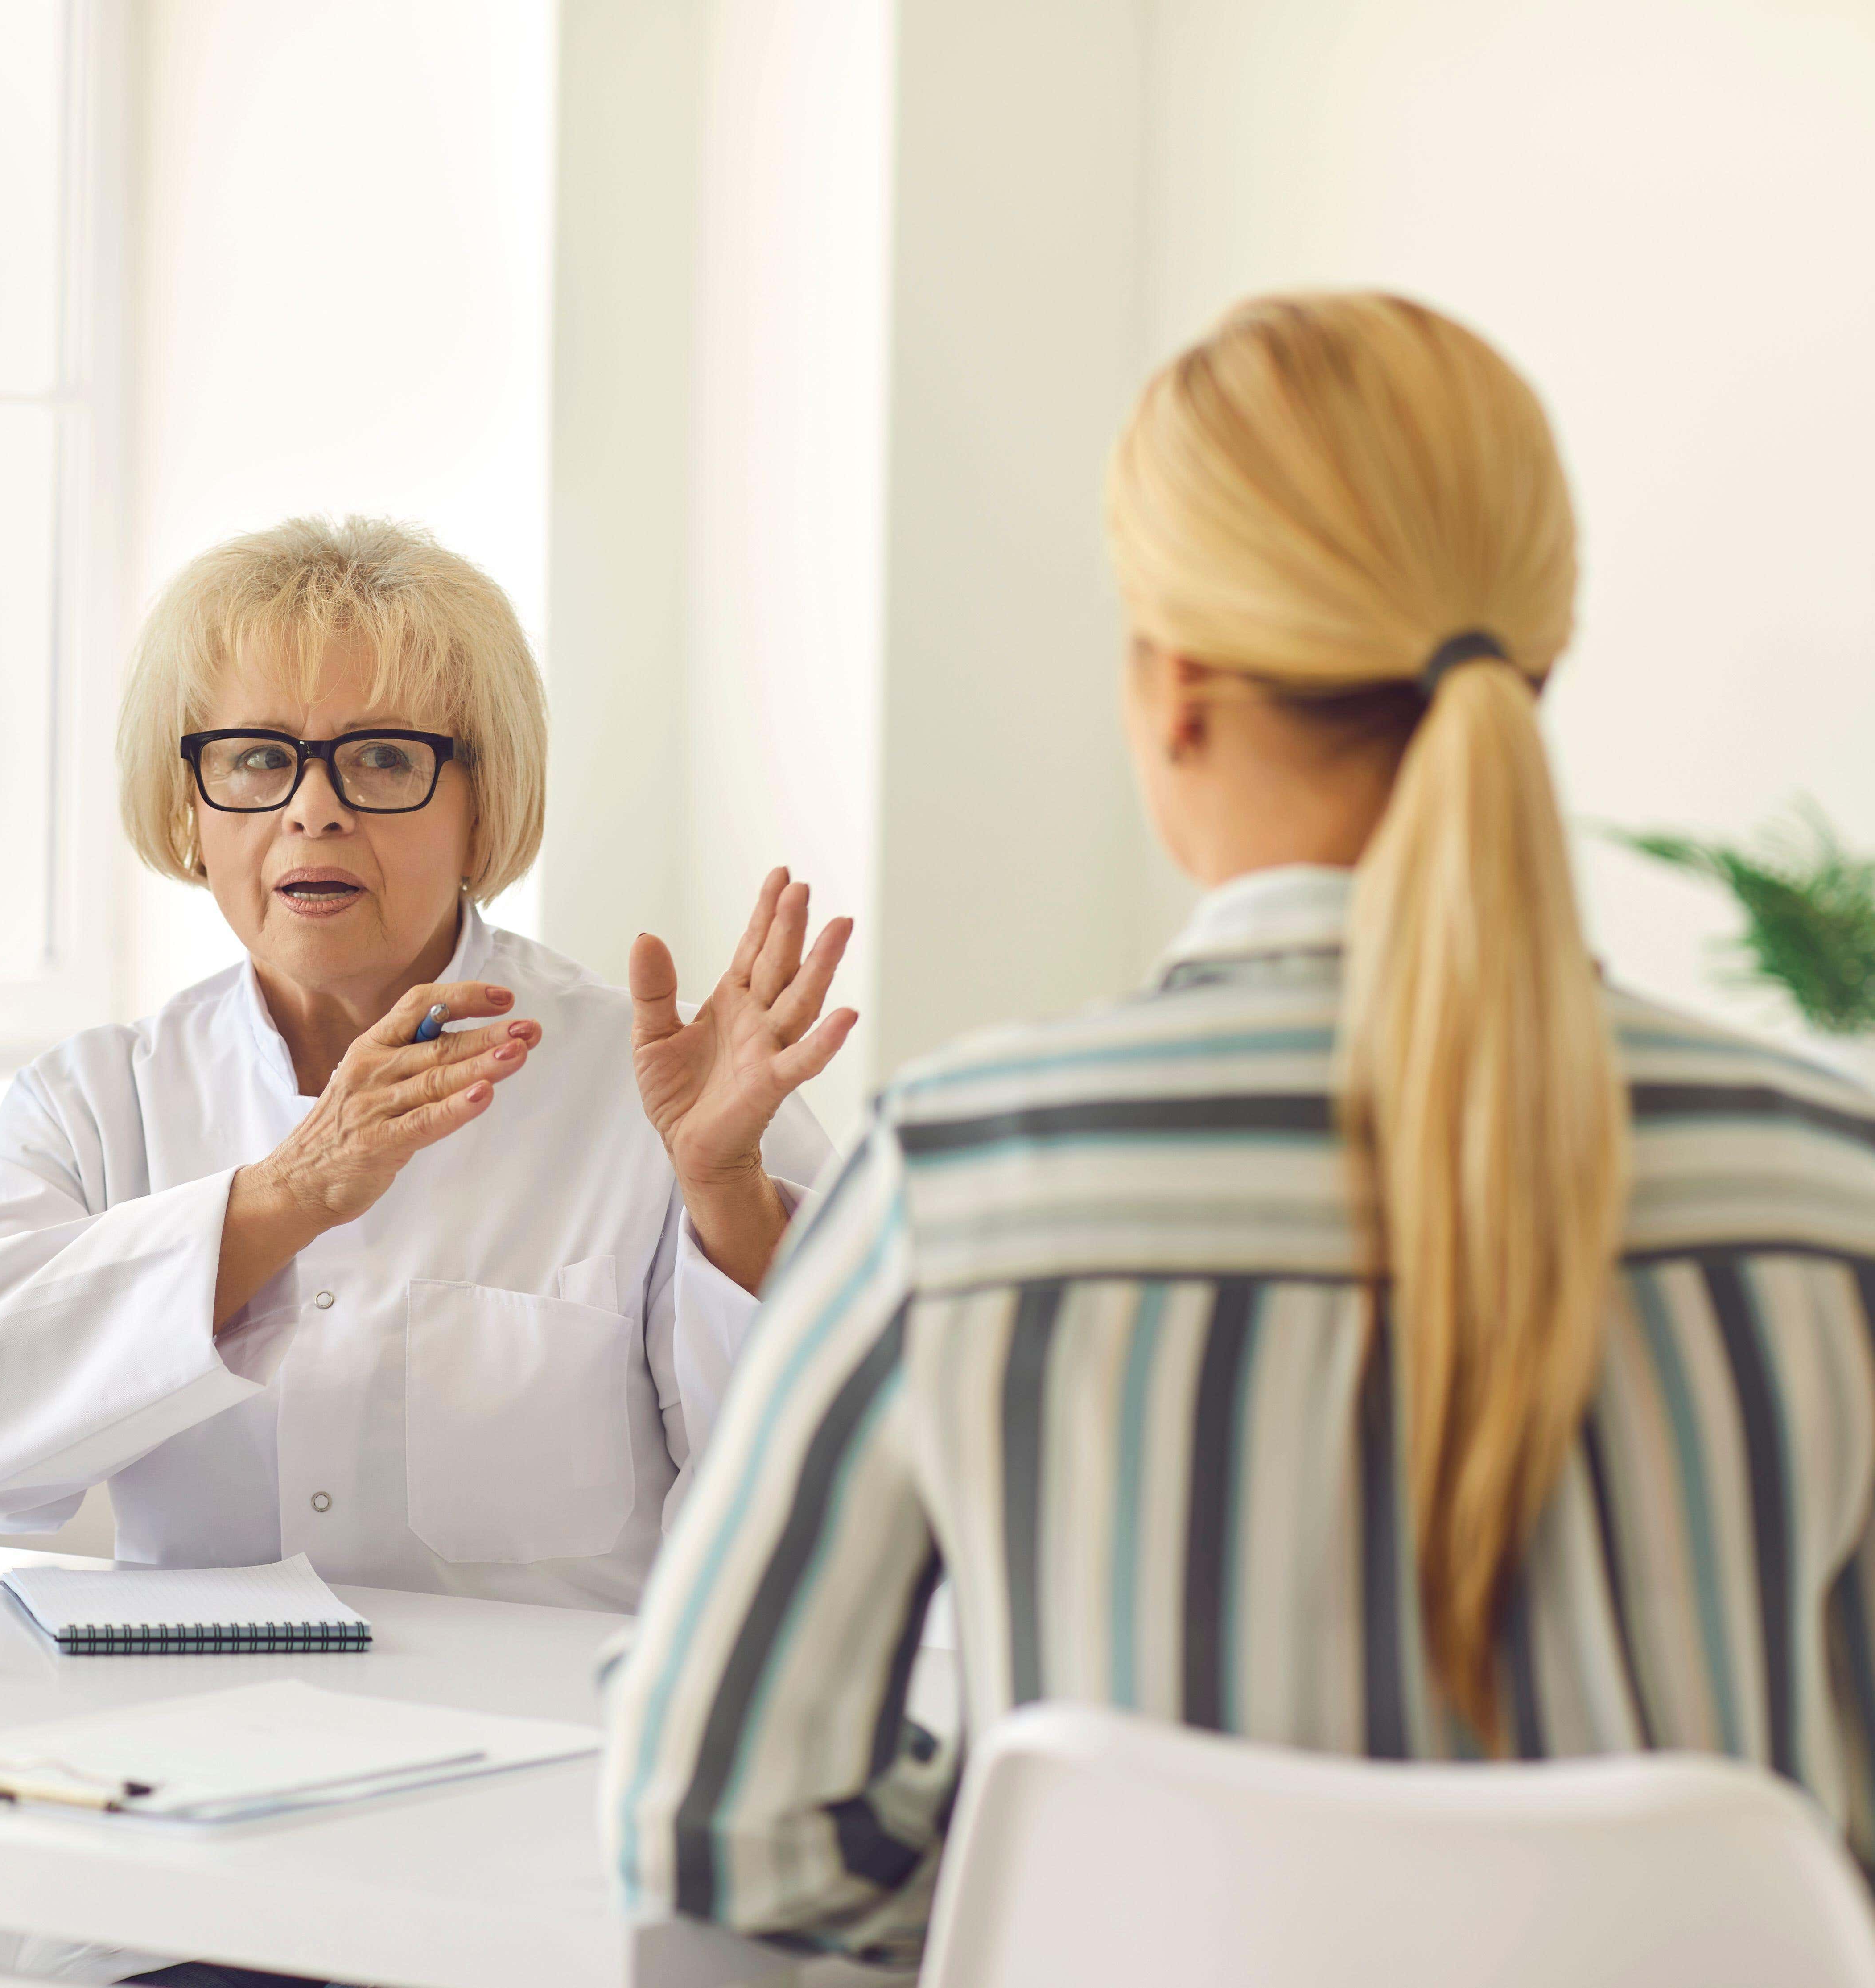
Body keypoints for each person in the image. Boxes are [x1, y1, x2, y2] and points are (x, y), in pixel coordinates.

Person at [601, 291, 1875, 1974]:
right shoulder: (1833, 1187)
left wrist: (1063, 1910)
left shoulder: (960, 1181)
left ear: (1178, 688)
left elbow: (716, 1828)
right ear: (1537, 664)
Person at [0, 514, 850, 1987]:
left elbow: (814, 1519)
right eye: (256, 759)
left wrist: (726, 1203)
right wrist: (284, 1199)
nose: (311, 813)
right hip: (174, 1860)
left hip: (542, 1850)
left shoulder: (658, 1085)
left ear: (478, 804)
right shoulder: (102, 1096)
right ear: (187, 804)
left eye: (382, 759)